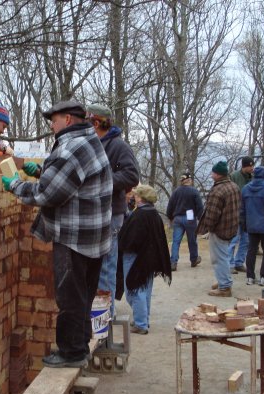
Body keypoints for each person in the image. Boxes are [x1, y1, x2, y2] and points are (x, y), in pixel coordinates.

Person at [2, 100, 113, 368]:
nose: (51, 124)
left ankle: (71, 353)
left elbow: (48, 194)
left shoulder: (70, 148)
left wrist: (15, 185)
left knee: (69, 296)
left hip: (75, 236)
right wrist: (42, 172)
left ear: (69, 120)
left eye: (55, 119)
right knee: (83, 293)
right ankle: (81, 342)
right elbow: (74, 180)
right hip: (93, 235)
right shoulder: (87, 140)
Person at [86, 103, 140, 317]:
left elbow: (131, 176)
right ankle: (98, 312)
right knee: (94, 267)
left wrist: (102, 181)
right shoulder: (93, 144)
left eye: (88, 122)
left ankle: (106, 315)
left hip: (111, 215)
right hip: (94, 214)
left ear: (97, 122)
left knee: (107, 267)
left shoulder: (118, 146)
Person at [116, 185, 171, 334]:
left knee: (134, 290)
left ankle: (141, 324)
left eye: (137, 195)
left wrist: (121, 244)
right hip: (148, 259)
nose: (134, 197)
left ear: (141, 198)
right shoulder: (154, 214)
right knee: (145, 290)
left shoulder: (140, 215)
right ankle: (143, 319)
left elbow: (131, 240)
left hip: (136, 258)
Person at [197, 161, 241, 297]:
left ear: (217, 174)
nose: (211, 175)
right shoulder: (234, 186)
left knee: (219, 258)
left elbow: (212, 214)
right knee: (225, 256)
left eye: (212, 172)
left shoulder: (218, 191)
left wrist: (207, 229)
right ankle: (224, 280)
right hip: (232, 227)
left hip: (220, 229)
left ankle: (225, 287)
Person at [240, 166, 264, 286]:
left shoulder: (246, 189)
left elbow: (242, 209)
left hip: (251, 225)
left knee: (251, 250)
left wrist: (244, 223)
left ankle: (250, 277)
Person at [166, 173, 204, 271]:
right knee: (192, 240)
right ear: (189, 180)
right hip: (190, 219)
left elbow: (170, 206)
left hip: (177, 218)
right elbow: (199, 207)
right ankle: (194, 259)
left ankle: (173, 262)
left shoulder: (175, 192)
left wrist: (170, 217)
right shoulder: (194, 191)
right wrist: (201, 219)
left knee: (176, 241)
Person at [228, 156, 254, 273]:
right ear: (245, 166)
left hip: (248, 213)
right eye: (250, 166)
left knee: (246, 240)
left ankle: (239, 262)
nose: (252, 168)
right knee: (233, 240)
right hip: (236, 212)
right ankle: (230, 264)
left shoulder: (253, 178)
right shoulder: (234, 176)